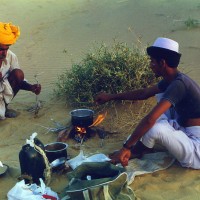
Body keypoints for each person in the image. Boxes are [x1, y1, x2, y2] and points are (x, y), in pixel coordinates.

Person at [95, 37, 200, 169]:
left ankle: (137, 150)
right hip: (182, 128)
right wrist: (111, 97)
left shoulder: (179, 85)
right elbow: (144, 93)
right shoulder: (171, 80)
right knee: (158, 104)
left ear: (162, 63)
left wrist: (126, 147)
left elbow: (150, 119)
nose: (150, 65)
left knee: (154, 126)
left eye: (152, 61)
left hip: (196, 147)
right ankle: (142, 148)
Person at [0, 22, 41, 119]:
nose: (4, 53)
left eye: (7, 49)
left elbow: (18, 80)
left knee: (18, 74)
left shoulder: (10, 56)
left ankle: (4, 108)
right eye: (1, 49)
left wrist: (31, 87)